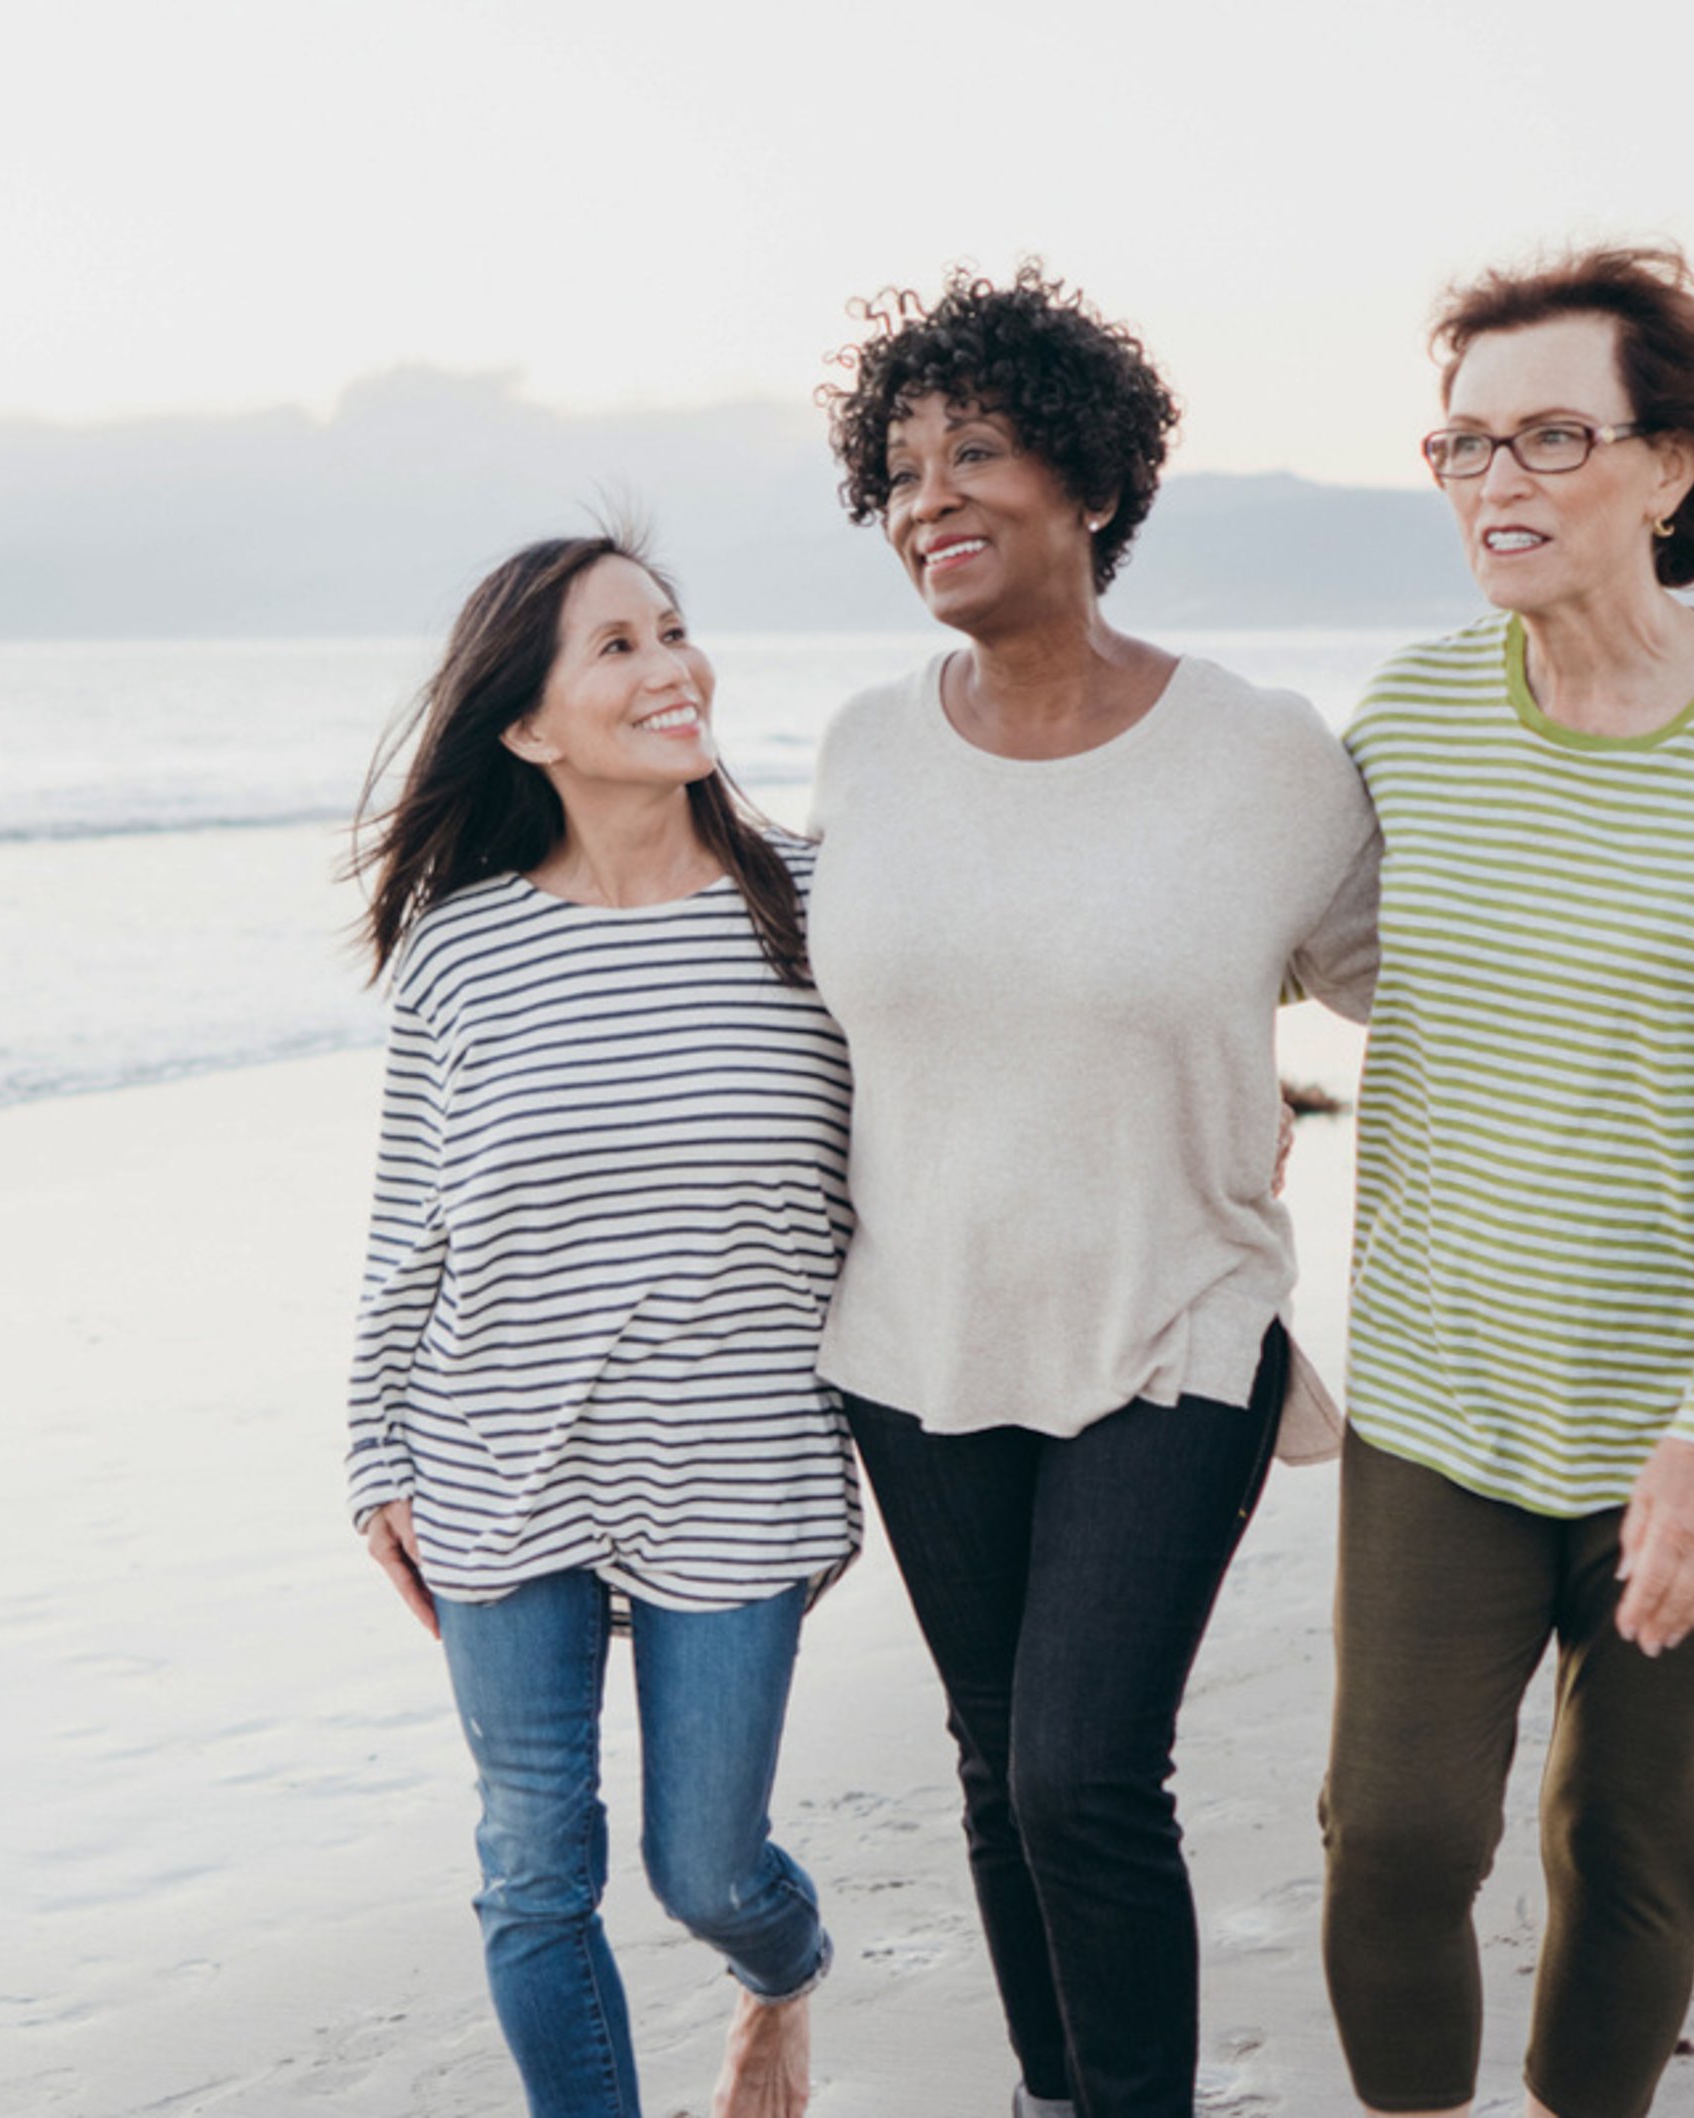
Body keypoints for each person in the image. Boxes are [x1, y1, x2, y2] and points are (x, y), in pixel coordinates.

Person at [1319, 244, 1694, 2118]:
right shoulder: (1403, 723)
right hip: (1446, 1388)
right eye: (1464, 441)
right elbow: (1202, 959)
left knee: (1626, 1838)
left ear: (1671, 469)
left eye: (1553, 434)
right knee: (1394, 1835)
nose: (1498, 480)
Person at [804, 264, 1381, 2118]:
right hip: (917, 1336)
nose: (928, 499)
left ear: (1095, 484)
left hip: (1172, 1321)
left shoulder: (1262, 755)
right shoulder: (864, 749)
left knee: (1079, 1773)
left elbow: (1432, 994)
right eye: (897, 468)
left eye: (974, 449)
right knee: (995, 1764)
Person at [342, 528, 858, 2118]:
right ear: (528, 727)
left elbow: (1001, 1055)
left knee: (704, 1863)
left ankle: (784, 1973)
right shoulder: (463, 949)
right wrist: (373, 1457)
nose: (673, 668)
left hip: (740, 1454)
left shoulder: (819, 907)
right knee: (532, 1866)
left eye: (676, 630)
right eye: (618, 648)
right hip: (500, 1453)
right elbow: (405, 1227)